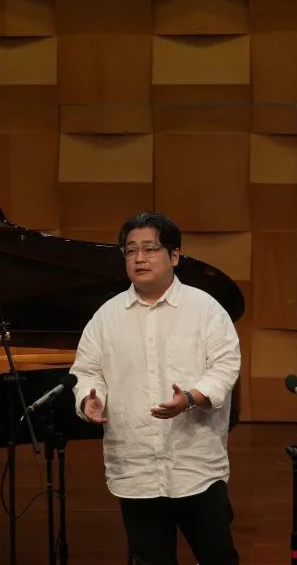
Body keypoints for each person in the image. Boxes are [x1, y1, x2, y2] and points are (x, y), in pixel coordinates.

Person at [71, 213, 242, 565]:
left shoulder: (205, 309)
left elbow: (225, 366)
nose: (139, 258)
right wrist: (89, 399)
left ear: (174, 256)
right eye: (131, 250)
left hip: (194, 464)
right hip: (136, 466)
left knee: (218, 557)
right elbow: (86, 371)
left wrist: (190, 398)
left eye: (150, 249)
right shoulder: (106, 316)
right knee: (150, 559)